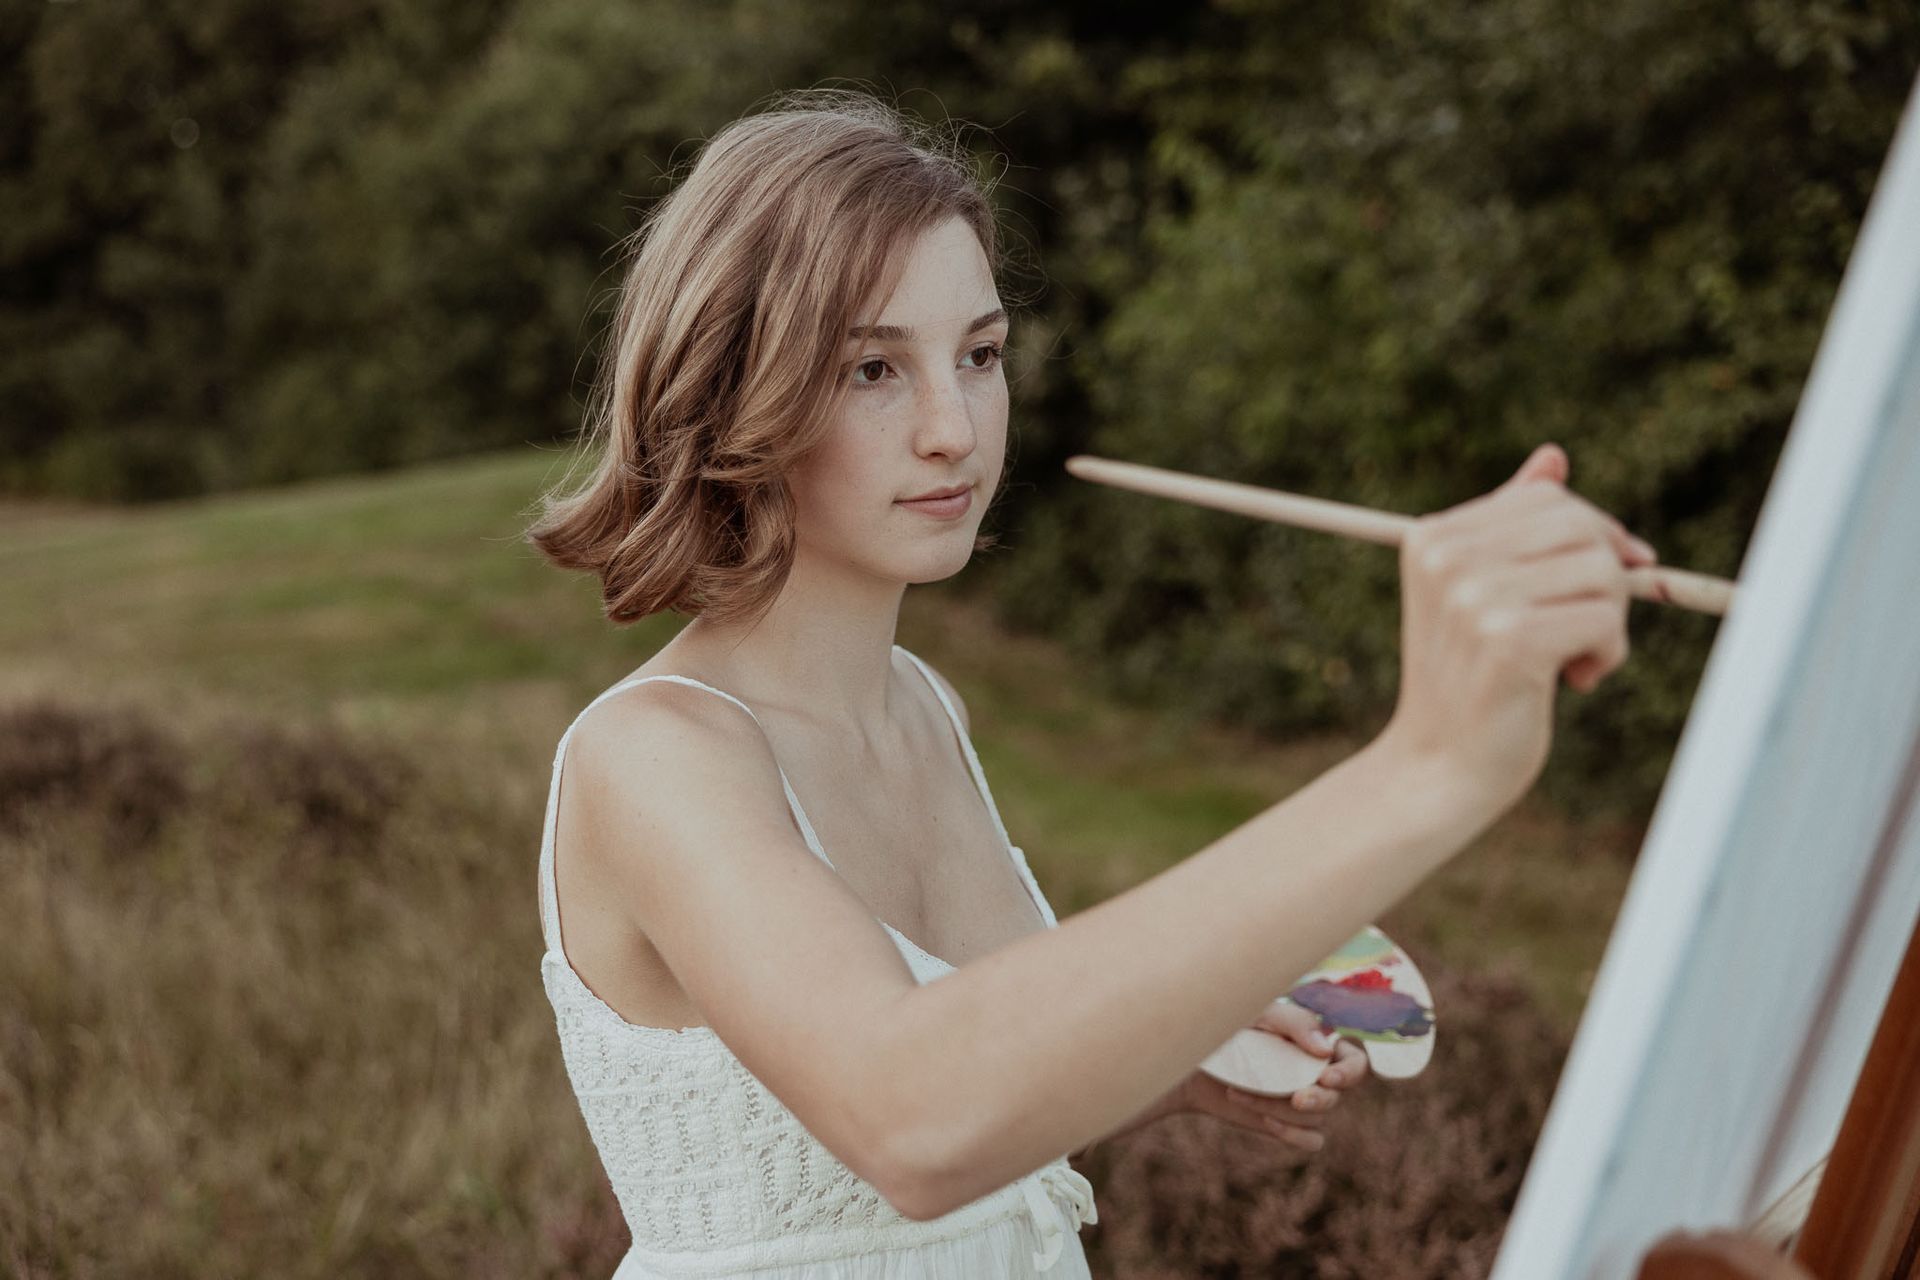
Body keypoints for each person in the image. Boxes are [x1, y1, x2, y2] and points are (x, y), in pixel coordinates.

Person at [523, 88, 1653, 1279]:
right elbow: (909, 1117)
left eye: (980, 353)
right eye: (873, 368)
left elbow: (963, 1106)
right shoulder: (654, 756)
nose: (956, 427)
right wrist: (1425, 764)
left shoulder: (923, 707)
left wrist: (1165, 1064)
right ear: (730, 388)